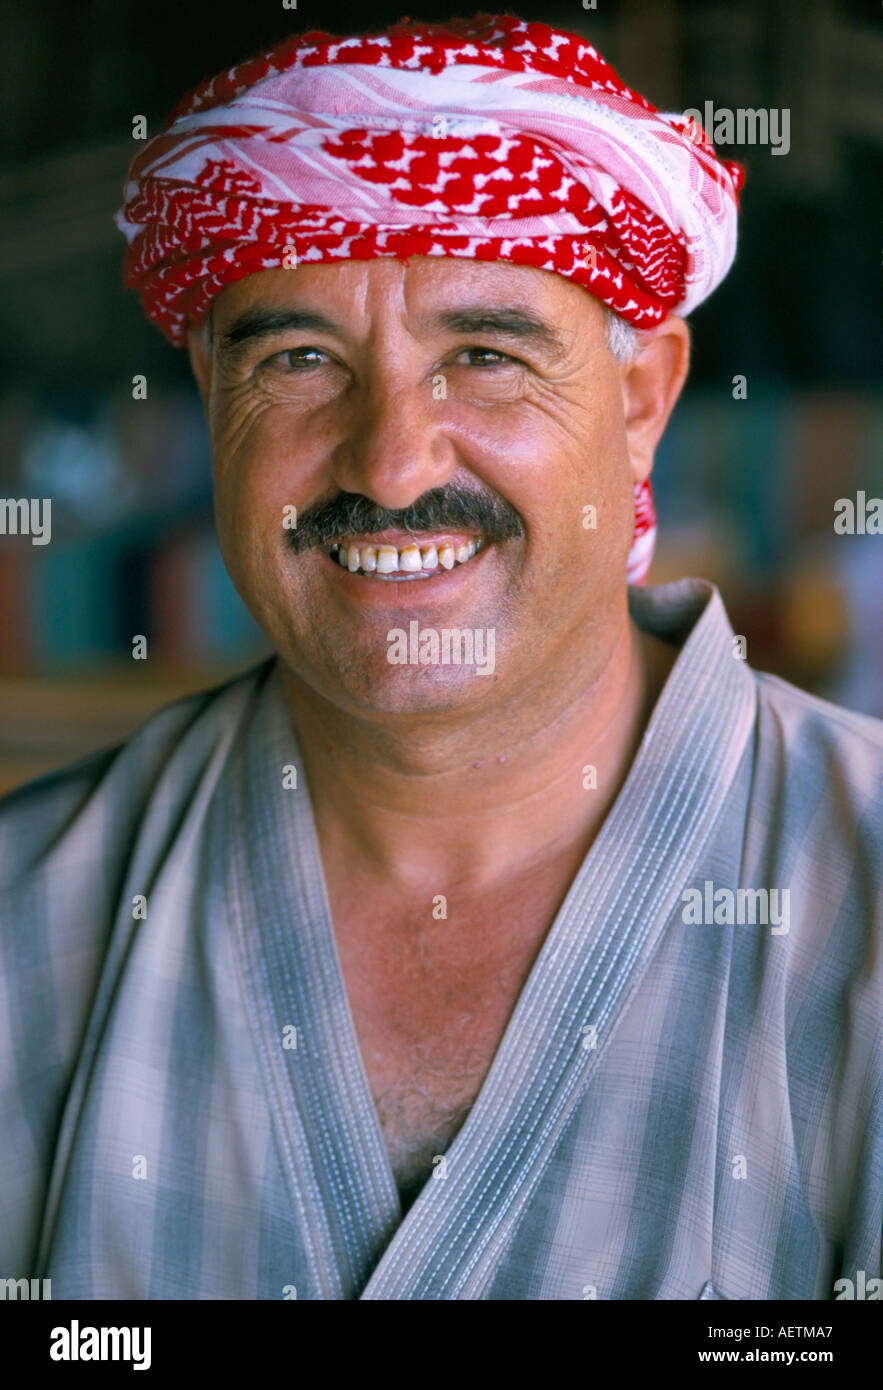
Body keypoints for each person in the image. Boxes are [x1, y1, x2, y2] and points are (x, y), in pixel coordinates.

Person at [1, 15, 880, 1301]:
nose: (394, 462)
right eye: (301, 361)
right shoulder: (27, 921)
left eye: (485, 356)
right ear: (206, 394)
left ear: (641, 400)